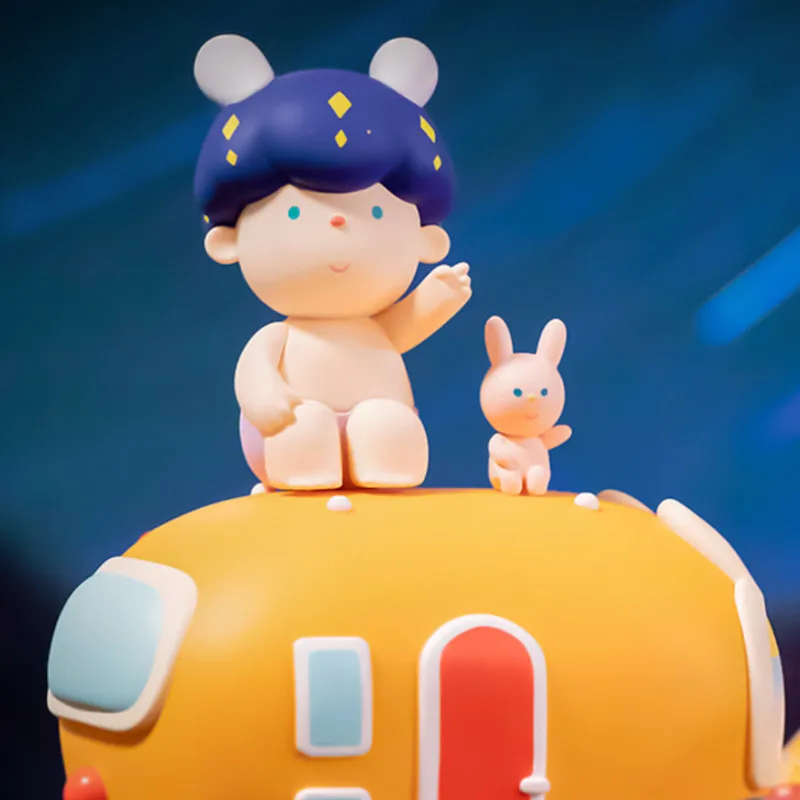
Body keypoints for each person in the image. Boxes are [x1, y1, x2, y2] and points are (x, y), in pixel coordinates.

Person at [193, 35, 472, 491]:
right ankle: (301, 461)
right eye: (296, 212)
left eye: (376, 211)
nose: (338, 223)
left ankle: (388, 454)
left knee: (385, 420)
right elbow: (254, 373)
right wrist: (265, 396)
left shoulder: (371, 330)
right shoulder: (280, 338)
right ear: (229, 242)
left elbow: (394, 333)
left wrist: (437, 299)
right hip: (289, 424)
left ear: (427, 240)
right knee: (304, 424)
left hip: (383, 416)